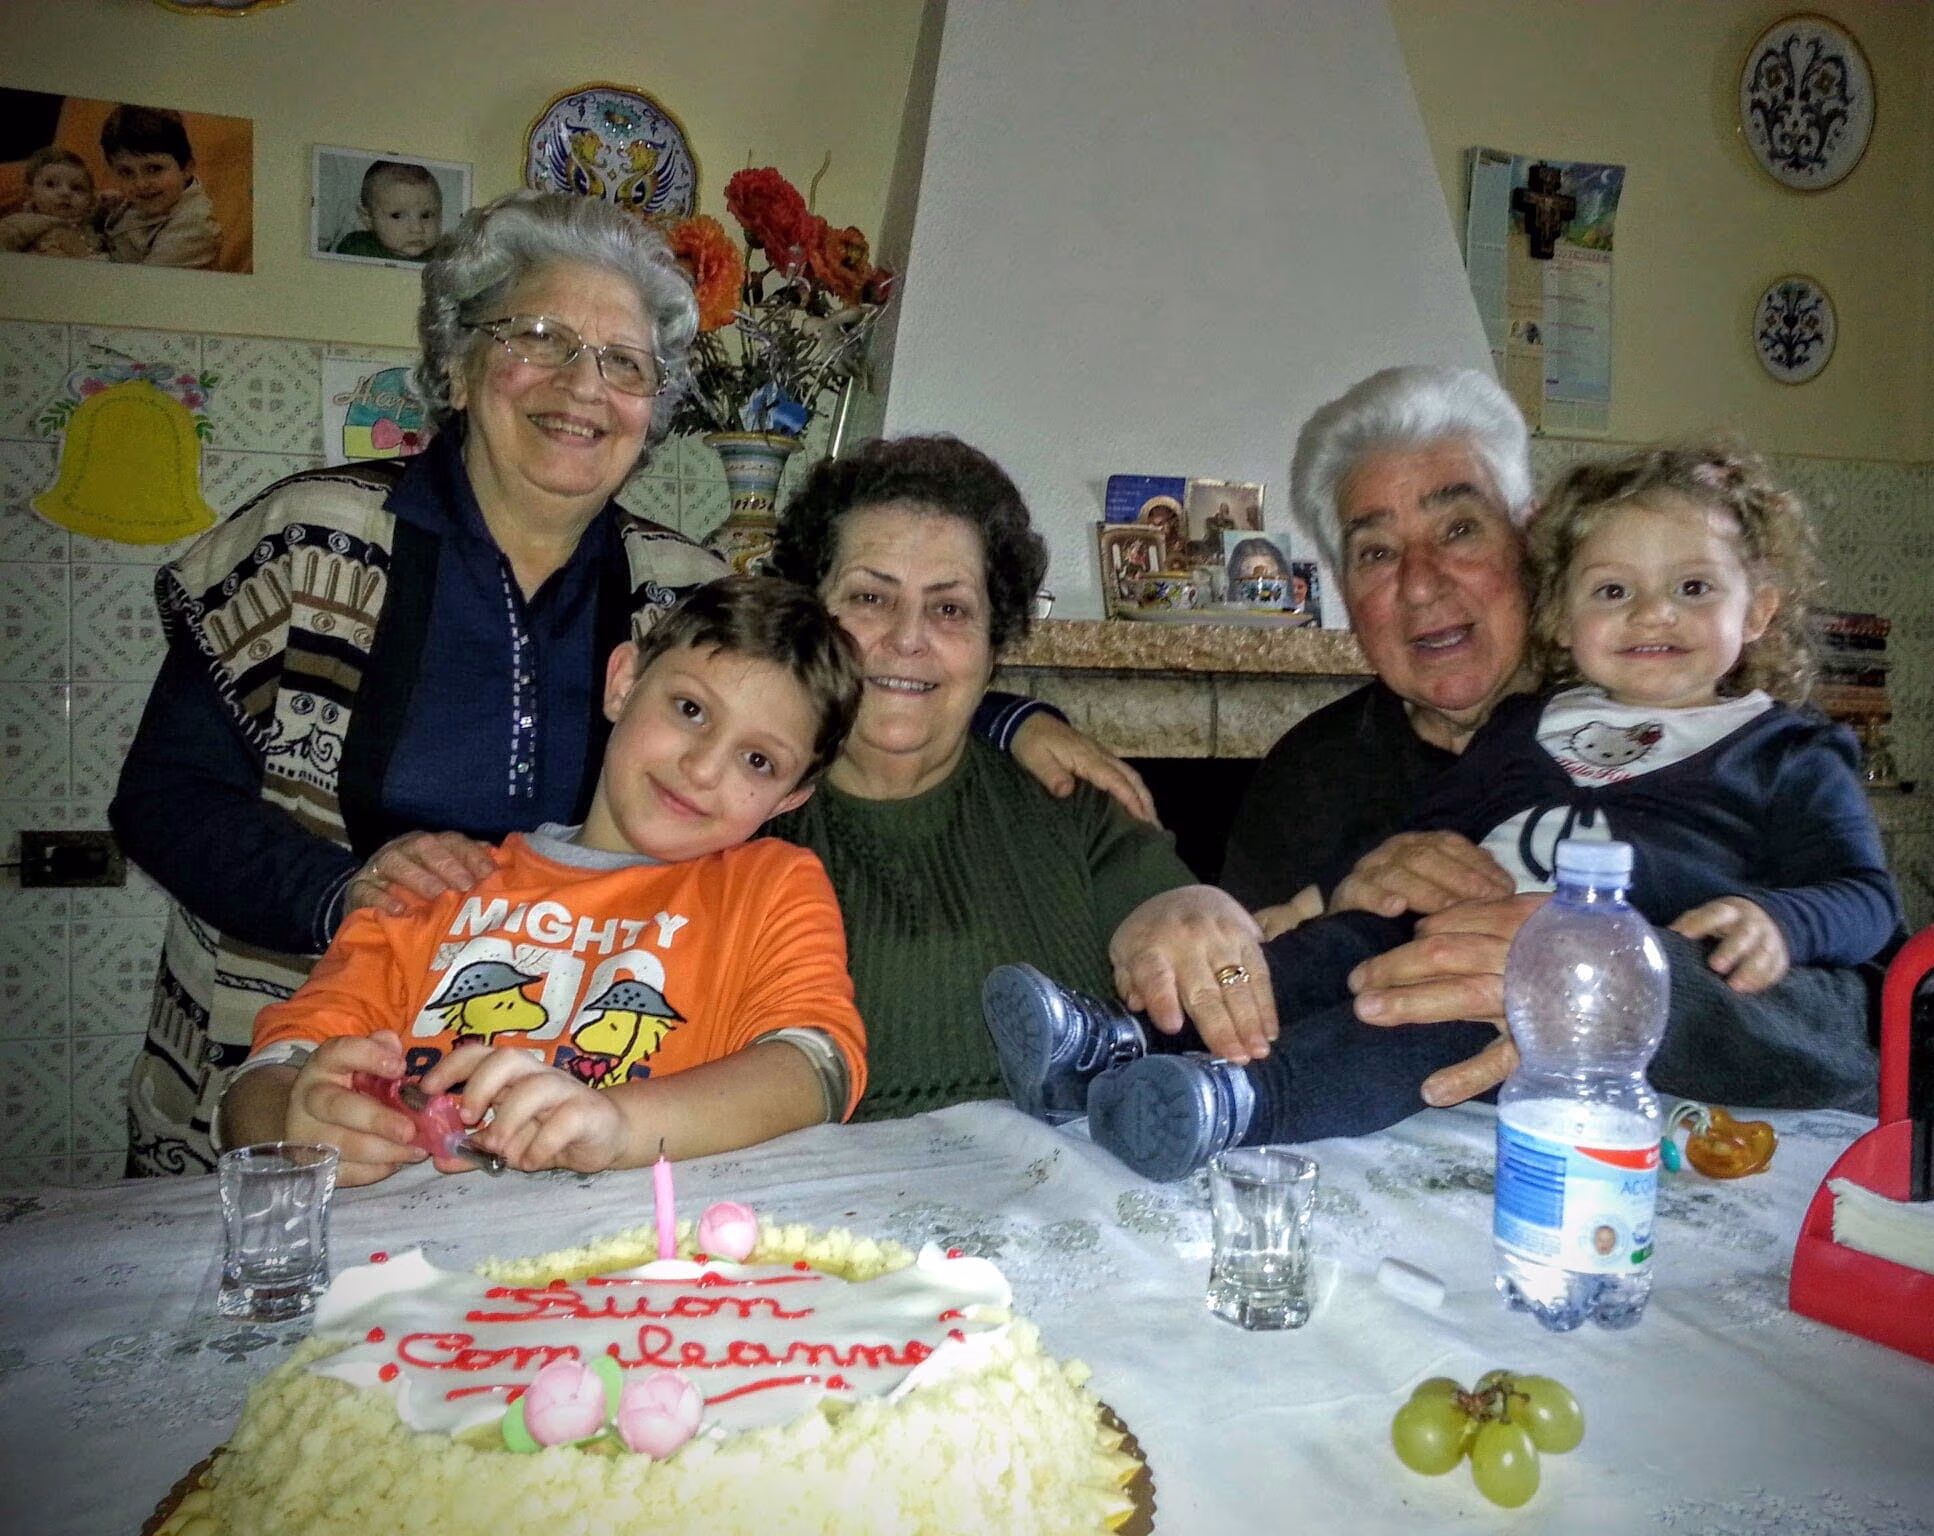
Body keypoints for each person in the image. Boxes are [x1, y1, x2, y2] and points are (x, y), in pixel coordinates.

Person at [112, 190, 1146, 1175]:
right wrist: (347, 896)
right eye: (540, 338)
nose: (583, 387)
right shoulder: (311, 540)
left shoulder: (681, 588)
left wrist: (1008, 718)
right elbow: (163, 797)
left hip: (594, 1102)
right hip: (323, 1068)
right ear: (460, 362)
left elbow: (835, 678)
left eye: (623, 363)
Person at [988, 439, 1902, 1178]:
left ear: (1759, 609)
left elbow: (1866, 900)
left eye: (1693, 588)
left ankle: (1241, 1105)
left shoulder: (1786, 750)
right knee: (1338, 947)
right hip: (1451, 931)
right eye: (1614, 591)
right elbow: (1423, 836)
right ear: (1564, 613)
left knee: (1424, 1013)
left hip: (1563, 999)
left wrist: (1781, 921)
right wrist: (1320, 898)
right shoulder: (1531, 727)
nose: (1653, 614)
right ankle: (1114, 1044)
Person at [216, 576, 867, 1187]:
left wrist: (618, 1126)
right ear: (624, 681)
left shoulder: (770, 886)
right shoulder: (434, 884)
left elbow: (814, 1070)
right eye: (690, 709)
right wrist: (293, 1129)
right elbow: (267, 1077)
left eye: (758, 760)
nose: (702, 768)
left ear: (790, 797)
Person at [764, 436, 1197, 1120]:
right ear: (806, 616)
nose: (908, 637)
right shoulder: (732, 819)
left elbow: (1186, 930)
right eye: (870, 597)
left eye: (950, 609)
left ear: (995, 644)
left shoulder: (1075, 805)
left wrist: (1208, 919)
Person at [99, 105, 221, 269]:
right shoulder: (150, 198)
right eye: (126, 172)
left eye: (154, 169)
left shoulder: (194, 227)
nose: (141, 184)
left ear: (186, 168)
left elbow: (142, 281)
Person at [0, 147, 108, 259]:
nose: (65, 193)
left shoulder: (94, 229)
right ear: (29, 193)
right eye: (50, 184)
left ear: (90, 200)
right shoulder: (21, 223)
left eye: (76, 188)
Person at [332, 158, 444, 262]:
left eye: (426, 215)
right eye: (397, 215)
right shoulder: (356, 247)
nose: (417, 228)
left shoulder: (441, 258)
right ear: (368, 218)